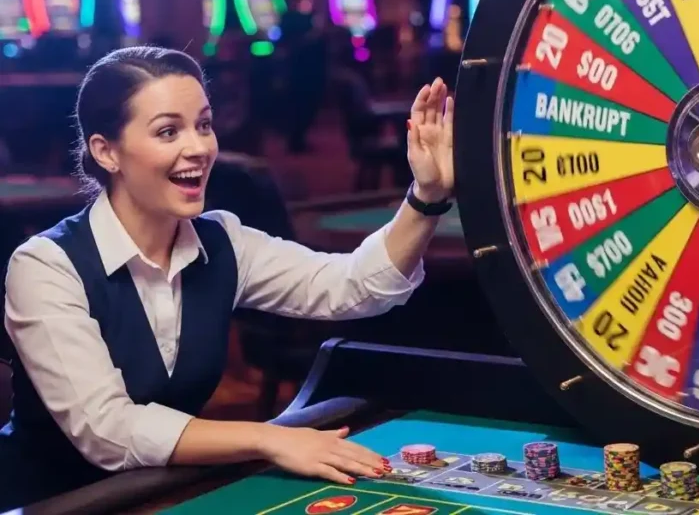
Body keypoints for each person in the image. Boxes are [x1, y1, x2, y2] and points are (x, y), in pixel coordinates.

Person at [0, 46, 456, 510]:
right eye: (167, 131)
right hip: (50, 504)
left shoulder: (223, 242)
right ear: (107, 152)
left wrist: (427, 196)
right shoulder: (46, 266)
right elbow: (108, 431)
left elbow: (354, 286)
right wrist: (269, 439)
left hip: (158, 496)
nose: (198, 147)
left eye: (203, 124)